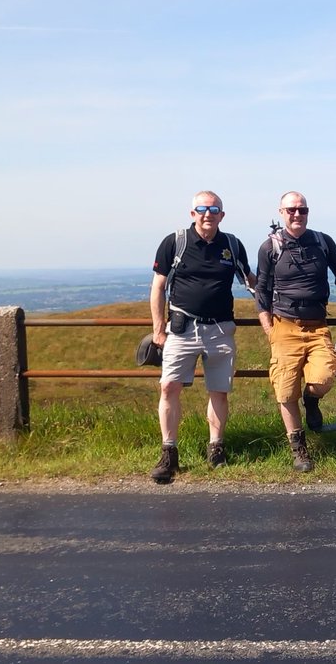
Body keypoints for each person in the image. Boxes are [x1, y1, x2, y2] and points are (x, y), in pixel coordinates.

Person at [148, 190, 255, 483]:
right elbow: (157, 287)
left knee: (219, 391)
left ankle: (216, 448)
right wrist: (159, 330)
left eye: (214, 209)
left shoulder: (232, 244)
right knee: (169, 387)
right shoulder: (175, 242)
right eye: (202, 209)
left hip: (220, 328)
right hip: (182, 329)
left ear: (222, 214)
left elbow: (251, 281)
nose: (208, 213)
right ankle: (169, 452)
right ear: (192, 213)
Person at [255, 191, 336, 472]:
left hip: (318, 325)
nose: (297, 214)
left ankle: (312, 399)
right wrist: (269, 328)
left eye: (302, 210)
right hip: (284, 325)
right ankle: (298, 448)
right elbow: (262, 290)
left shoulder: (322, 242)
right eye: (291, 210)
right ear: (281, 212)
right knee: (284, 389)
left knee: (324, 376)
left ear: (308, 212)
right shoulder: (270, 247)